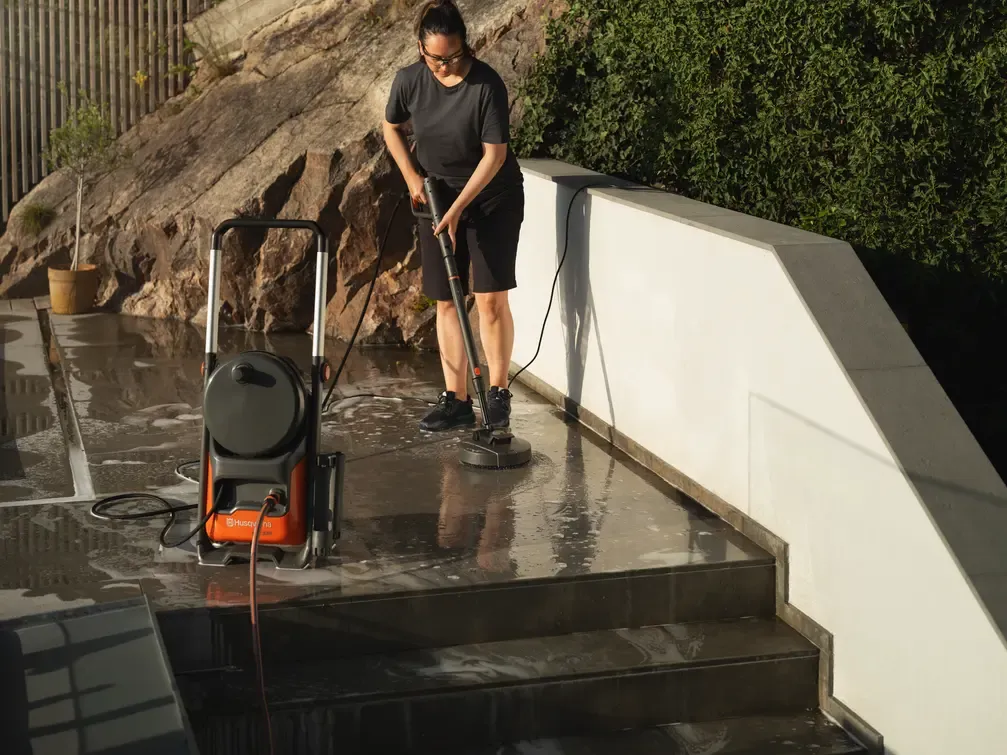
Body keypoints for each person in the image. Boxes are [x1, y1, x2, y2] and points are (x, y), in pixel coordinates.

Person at [383, 0, 525, 432]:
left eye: (454, 56)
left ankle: (497, 393)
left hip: (491, 198)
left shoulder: (486, 85)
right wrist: (412, 178)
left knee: (490, 299)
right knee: (446, 300)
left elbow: (494, 156)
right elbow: (391, 127)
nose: (445, 66)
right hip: (435, 199)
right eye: (436, 59)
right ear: (420, 49)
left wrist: (460, 208)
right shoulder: (409, 81)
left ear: (466, 45)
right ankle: (456, 399)